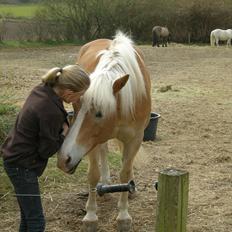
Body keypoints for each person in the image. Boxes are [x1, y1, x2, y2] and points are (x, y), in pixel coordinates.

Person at [1, 64, 90, 232]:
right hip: (22, 166)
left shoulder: (43, 90)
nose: (79, 99)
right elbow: (46, 150)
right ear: (69, 93)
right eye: (80, 95)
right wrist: (64, 133)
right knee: (37, 222)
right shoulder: (49, 110)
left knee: (28, 218)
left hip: (14, 158)